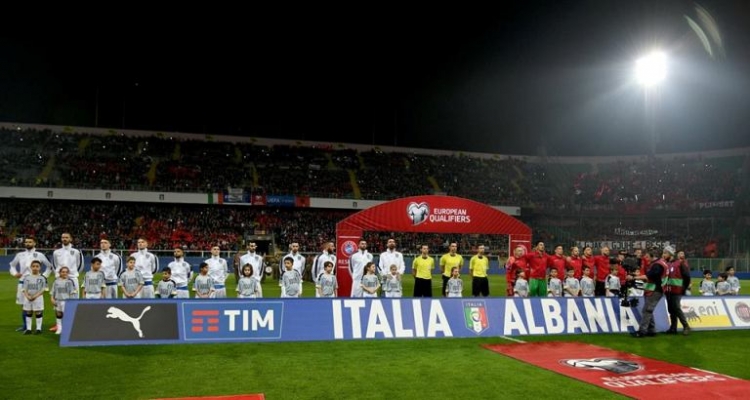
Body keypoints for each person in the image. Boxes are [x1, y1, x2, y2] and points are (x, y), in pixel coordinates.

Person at [9, 237, 51, 331]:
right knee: (23, 305)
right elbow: (12, 265)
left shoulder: (39, 255)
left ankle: (38, 327)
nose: (28, 243)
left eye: (30, 242)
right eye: (26, 242)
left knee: (38, 305)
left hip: (36, 284)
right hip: (22, 282)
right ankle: (25, 326)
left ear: (34, 243)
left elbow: (49, 266)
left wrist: (43, 276)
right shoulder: (20, 255)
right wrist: (15, 273)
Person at [631, 248, 670, 338]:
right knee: (649, 310)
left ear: (652, 256)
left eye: (647, 257)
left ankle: (642, 331)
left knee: (646, 310)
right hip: (657, 289)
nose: (646, 258)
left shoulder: (657, 265)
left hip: (655, 290)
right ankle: (651, 330)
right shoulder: (660, 263)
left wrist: (633, 277)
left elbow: (647, 277)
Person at [665, 248, 691, 335]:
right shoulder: (667, 264)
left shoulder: (680, 263)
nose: (664, 255)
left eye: (665, 253)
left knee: (676, 308)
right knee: (671, 309)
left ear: (670, 254)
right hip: (669, 290)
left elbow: (687, 276)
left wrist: (684, 288)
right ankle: (673, 328)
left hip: (677, 290)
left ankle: (686, 326)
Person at [52, 232, 84, 297]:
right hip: (60, 278)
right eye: (63, 237)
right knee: (60, 299)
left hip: (73, 278)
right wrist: (60, 274)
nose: (64, 239)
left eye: (66, 237)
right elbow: (55, 265)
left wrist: (74, 273)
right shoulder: (56, 252)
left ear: (70, 239)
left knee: (74, 299)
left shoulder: (76, 251)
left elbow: (80, 265)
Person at [22, 260, 47, 335]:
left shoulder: (42, 278)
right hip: (28, 298)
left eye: (37, 266)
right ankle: (28, 329)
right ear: (31, 267)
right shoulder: (27, 277)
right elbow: (24, 289)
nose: (35, 268)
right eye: (33, 266)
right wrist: (27, 296)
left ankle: (38, 329)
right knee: (28, 312)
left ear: (40, 268)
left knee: (38, 312)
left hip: (38, 298)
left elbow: (43, 289)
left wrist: (35, 296)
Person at [50, 266, 76, 335]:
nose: (64, 273)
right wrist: (52, 299)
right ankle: (59, 329)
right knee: (58, 314)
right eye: (63, 272)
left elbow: (72, 293)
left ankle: (68, 329)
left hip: (66, 301)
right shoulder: (56, 282)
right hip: (58, 300)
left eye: (66, 272)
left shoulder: (70, 282)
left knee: (67, 315)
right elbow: (53, 292)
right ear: (60, 273)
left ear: (68, 273)